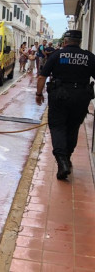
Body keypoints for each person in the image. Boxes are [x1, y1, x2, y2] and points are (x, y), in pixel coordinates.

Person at [35, 30, 95, 180]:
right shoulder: (89, 57)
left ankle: (62, 162)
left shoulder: (57, 55)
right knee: (73, 127)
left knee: (57, 127)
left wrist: (39, 94)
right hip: (81, 97)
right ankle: (67, 158)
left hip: (59, 97)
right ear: (79, 42)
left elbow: (42, 76)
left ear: (65, 41)